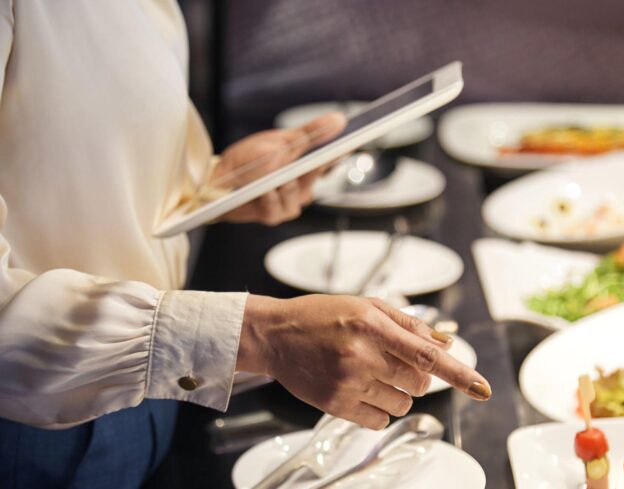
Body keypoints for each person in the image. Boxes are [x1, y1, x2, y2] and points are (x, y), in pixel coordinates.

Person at [0, 2, 491, 488]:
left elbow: (73, 167)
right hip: (34, 423)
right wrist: (259, 336)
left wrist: (216, 184)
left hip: (148, 390)